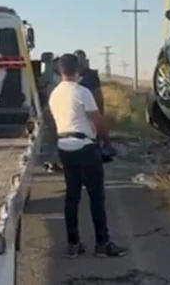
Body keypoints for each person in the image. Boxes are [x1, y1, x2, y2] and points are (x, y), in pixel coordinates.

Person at [48, 53, 128, 258]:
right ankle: (102, 244)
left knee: (72, 196)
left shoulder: (54, 94)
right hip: (85, 147)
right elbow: (98, 120)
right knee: (96, 197)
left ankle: (73, 244)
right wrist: (106, 141)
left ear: (59, 70)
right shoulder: (82, 92)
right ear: (80, 69)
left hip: (65, 147)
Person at [73, 49, 114, 154]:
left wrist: (100, 110)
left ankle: (103, 145)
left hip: (91, 106)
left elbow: (97, 93)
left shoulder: (91, 75)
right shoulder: (73, 75)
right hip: (77, 108)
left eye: (81, 59)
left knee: (96, 129)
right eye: (78, 59)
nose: (80, 62)